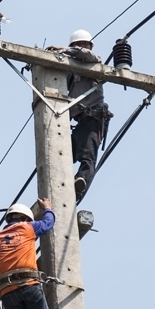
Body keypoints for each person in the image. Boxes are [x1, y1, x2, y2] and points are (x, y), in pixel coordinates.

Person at [46, 30, 113, 201]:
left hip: (94, 120)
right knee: (60, 153)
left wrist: (63, 49)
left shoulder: (94, 61)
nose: (82, 47)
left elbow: (86, 55)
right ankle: (63, 187)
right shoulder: (70, 70)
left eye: (85, 44)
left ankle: (80, 183)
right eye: (78, 44)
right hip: (79, 122)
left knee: (87, 157)